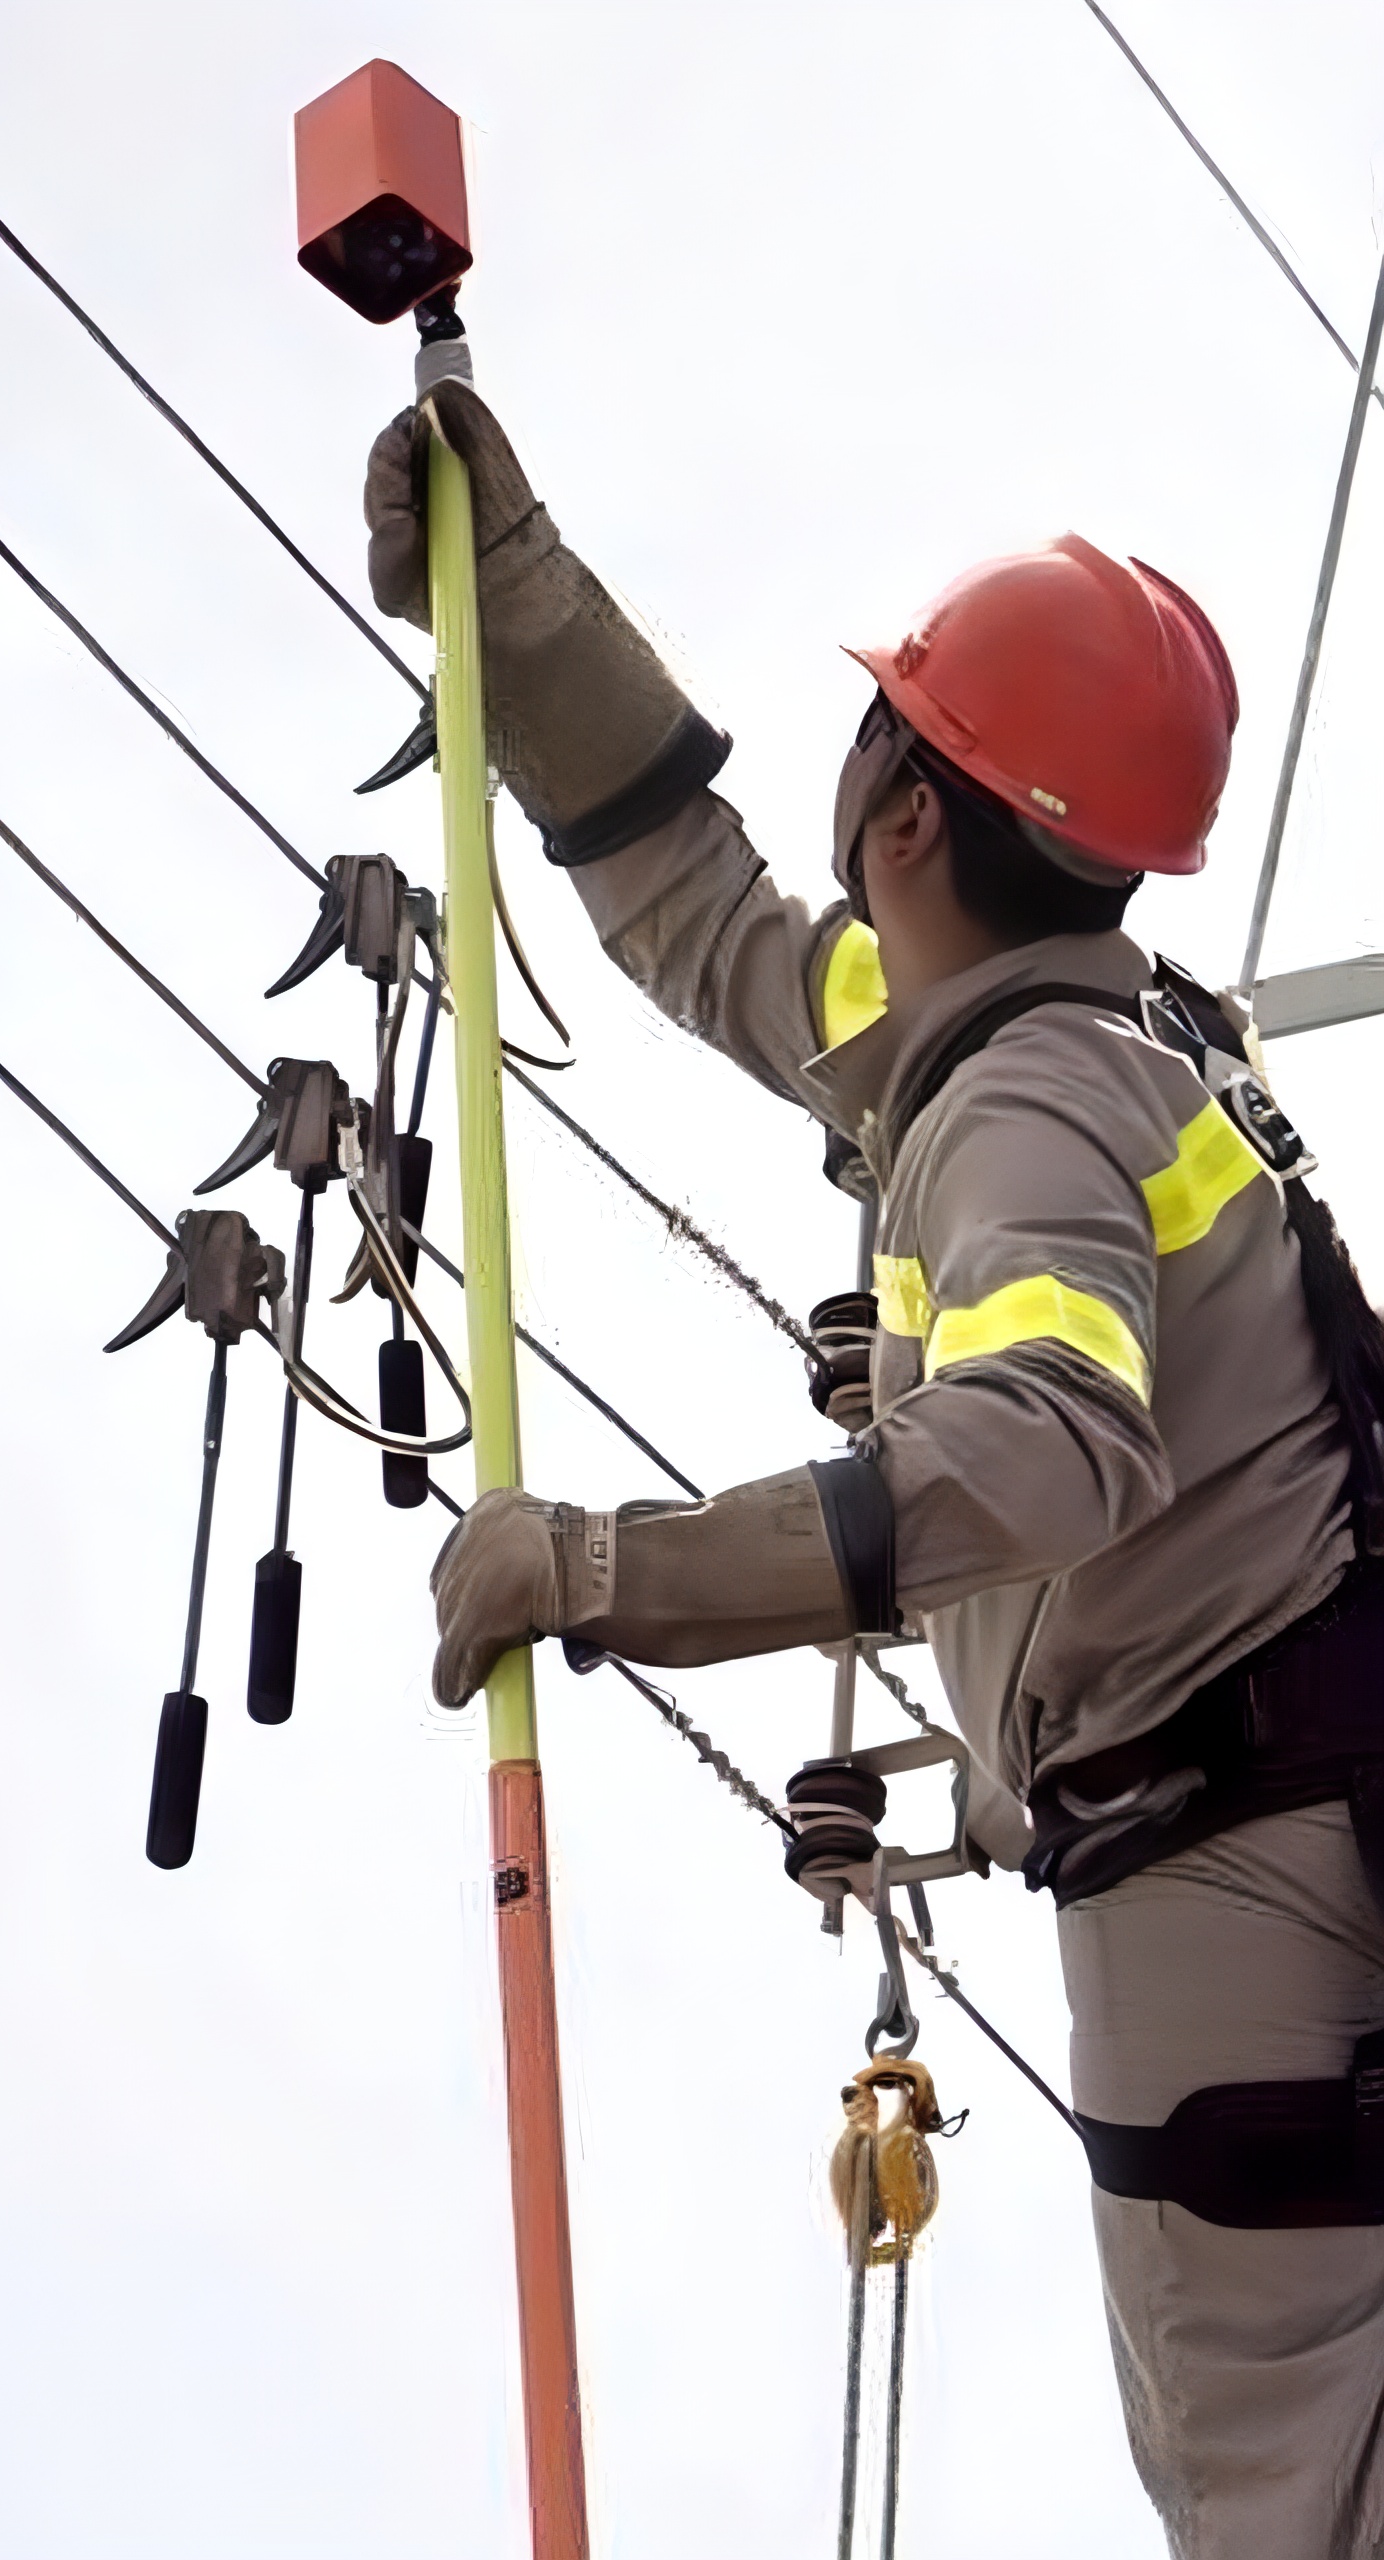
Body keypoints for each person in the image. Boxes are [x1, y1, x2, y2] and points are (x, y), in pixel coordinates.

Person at [364, 314, 1384, 2557]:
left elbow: (1042, 1447)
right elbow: (705, 914)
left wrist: (610, 1567)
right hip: (1287, 1798)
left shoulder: (1018, 1103)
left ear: (908, 809)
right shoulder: (1048, 1035)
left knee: (1289, 2486)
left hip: (1235, 1843)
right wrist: (507, 593)